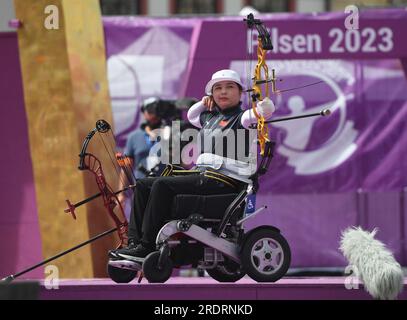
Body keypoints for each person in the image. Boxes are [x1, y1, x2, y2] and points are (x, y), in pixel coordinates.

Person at [111, 69, 276, 261]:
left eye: (230, 87)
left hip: (225, 181)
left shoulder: (243, 118)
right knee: (142, 184)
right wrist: (203, 102)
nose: (223, 92)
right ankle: (134, 243)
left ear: (240, 93)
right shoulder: (210, 118)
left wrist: (262, 98)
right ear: (211, 94)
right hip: (206, 176)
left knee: (161, 185)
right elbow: (191, 115)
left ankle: (147, 246)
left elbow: (266, 110)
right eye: (218, 88)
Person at [117, 98, 165, 209]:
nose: (154, 114)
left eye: (158, 109)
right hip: (141, 189)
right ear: (144, 113)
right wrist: (121, 194)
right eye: (150, 110)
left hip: (165, 188)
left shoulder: (171, 134)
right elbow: (126, 167)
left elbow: (181, 164)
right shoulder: (134, 137)